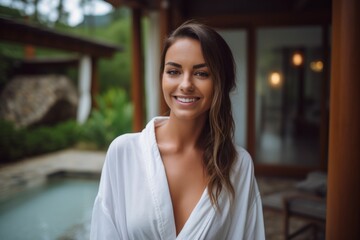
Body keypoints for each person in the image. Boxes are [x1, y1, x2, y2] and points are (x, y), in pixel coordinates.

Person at [90, 20, 265, 240]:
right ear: (162, 76)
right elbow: (104, 232)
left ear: (221, 83)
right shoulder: (123, 152)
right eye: (173, 71)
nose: (185, 84)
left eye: (201, 74)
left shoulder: (238, 165)